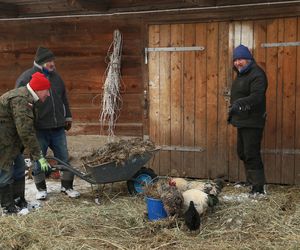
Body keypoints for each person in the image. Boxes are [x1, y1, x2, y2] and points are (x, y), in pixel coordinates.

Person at [15, 46, 80, 200]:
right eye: (50, 61)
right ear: (41, 62)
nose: (53, 64)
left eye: (53, 61)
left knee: (64, 157)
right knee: (38, 160)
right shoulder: (26, 78)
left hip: (58, 128)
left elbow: (63, 99)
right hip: (39, 129)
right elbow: (19, 103)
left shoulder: (56, 78)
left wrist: (68, 117)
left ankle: (67, 187)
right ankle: (41, 190)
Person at [0, 72, 52, 214]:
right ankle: (7, 207)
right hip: (3, 142)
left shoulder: (28, 97)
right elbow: (25, 131)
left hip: (11, 141)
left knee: (19, 167)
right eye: (47, 91)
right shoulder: (21, 99)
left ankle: (18, 200)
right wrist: (38, 155)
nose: (48, 94)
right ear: (39, 89)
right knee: (5, 172)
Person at [228, 44, 268, 195]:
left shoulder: (257, 74)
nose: (237, 62)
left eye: (241, 59)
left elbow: (257, 97)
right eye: (235, 60)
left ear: (249, 59)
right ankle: (251, 182)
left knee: (251, 153)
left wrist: (238, 104)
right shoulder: (242, 74)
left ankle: (258, 188)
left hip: (253, 121)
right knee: (242, 152)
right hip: (243, 120)